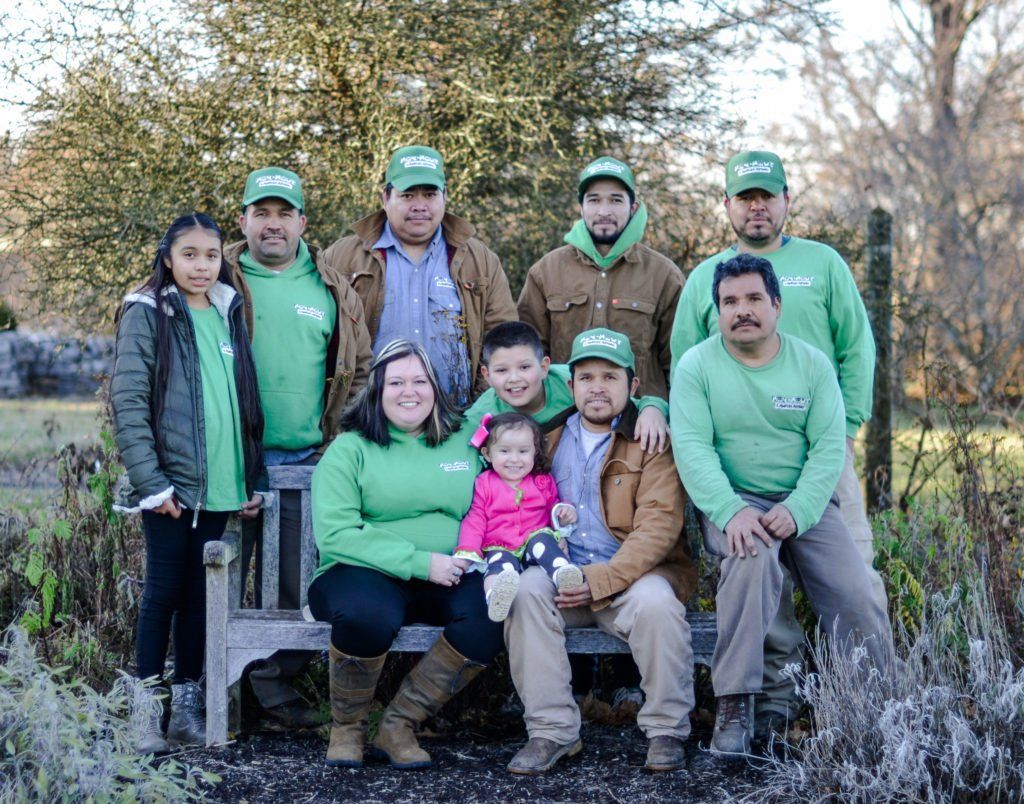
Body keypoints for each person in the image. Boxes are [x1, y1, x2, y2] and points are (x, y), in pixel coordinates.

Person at [670, 149, 884, 738]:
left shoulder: (822, 264)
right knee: (759, 573)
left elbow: (857, 346)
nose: (757, 207)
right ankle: (769, 701)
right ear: (728, 206)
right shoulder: (704, 285)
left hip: (821, 456)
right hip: (736, 478)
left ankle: (871, 704)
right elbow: (689, 407)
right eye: (746, 197)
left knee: (853, 584)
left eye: (768, 196)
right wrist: (729, 505)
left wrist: (845, 428)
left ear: (787, 201)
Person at [504, 328, 696, 775]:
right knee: (524, 591)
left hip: (632, 578)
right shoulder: (544, 440)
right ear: (569, 386)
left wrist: (600, 580)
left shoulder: (652, 442)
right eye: (586, 376)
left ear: (632, 386)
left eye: (610, 377)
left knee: (657, 603)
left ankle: (666, 728)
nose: (597, 387)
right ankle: (552, 732)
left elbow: (658, 527)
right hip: (562, 576)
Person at [111, 213, 269, 753]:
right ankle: (144, 711)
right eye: (190, 255)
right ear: (168, 257)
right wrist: (152, 483)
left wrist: (252, 475)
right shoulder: (148, 311)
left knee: (204, 600)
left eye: (211, 255)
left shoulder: (228, 310)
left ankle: (185, 706)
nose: (202, 265)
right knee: (163, 592)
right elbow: (128, 401)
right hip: (172, 487)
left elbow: (243, 399)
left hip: (223, 486)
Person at [308, 339, 503, 770]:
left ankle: (398, 725)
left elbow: (527, 380)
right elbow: (336, 533)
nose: (408, 391)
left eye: (419, 380)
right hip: (362, 570)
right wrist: (421, 562)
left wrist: (649, 404)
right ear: (376, 389)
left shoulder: (465, 442)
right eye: (395, 381)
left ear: (436, 389)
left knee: (496, 610)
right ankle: (348, 726)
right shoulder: (350, 449)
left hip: (453, 569)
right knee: (365, 613)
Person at [224, 166, 372, 727]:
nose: (273, 225)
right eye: (261, 213)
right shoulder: (221, 279)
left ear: (303, 222)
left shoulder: (330, 286)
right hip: (230, 463)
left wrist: (336, 443)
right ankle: (219, 696)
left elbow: (355, 372)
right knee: (222, 580)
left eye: (284, 213)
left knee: (297, 584)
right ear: (243, 220)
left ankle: (273, 691)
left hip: (305, 462)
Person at [322, 145, 517, 406]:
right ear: (385, 198)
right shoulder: (340, 258)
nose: (419, 206)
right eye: (408, 195)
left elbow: (503, 342)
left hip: (456, 423)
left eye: (429, 194)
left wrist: (478, 409)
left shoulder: (480, 260)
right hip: (369, 422)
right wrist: (347, 409)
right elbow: (321, 341)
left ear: (445, 197)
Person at [517, 156, 683, 400]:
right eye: (594, 200)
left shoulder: (664, 275)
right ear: (581, 207)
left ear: (633, 207)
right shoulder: (546, 271)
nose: (604, 211)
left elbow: (679, 363)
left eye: (616, 200)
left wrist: (660, 411)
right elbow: (526, 356)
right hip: (563, 417)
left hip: (639, 425)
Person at [464, 321, 670, 453]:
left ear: (544, 367)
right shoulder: (481, 415)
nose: (514, 379)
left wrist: (653, 408)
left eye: (525, 367)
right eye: (502, 371)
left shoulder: (574, 382)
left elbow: (626, 401)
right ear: (487, 376)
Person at [454, 412, 582, 622]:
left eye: (523, 451)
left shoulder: (542, 481)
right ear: (487, 454)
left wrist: (563, 514)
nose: (514, 459)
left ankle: (563, 574)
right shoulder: (484, 483)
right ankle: (495, 596)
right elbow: (475, 519)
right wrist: (467, 552)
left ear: (535, 452)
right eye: (504, 451)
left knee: (544, 543)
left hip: (534, 540)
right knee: (498, 565)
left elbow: (553, 507)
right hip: (500, 544)